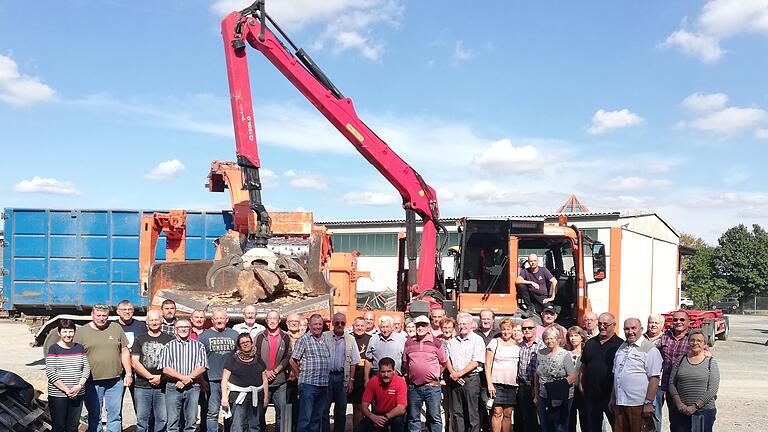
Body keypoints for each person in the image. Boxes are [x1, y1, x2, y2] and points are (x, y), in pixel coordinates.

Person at [75, 304, 132, 432]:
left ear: (108, 316)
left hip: (115, 381)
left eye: (104, 316)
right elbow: (76, 356)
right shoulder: (82, 332)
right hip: (91, 382)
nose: (101, 318)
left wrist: (128, 373)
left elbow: (124, 350)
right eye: (98, 315)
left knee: (115, 415)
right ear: (92, 315)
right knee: (94, 414)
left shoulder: (115, 328)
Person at [659, 310, 709, 432]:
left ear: (688, 322)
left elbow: (705, 353)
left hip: (688, 389)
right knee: (676, 425)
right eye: (675, 320)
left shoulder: (693, 339)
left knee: (694, 426)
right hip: (670, 389)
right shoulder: (665, 338)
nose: (678, 322)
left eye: (682, 320)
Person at [610, 318, 662, 432]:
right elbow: (617, 375)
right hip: (621, 402)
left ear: (641, 329)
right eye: (627, 329)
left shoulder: (650, 349)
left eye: (633, 328)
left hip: (638, 404)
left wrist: (649, 402)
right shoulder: (621, 348)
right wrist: (613, 398)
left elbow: (654, 378)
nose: (630, 331)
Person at [159, 319, 208, 432]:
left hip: (193, 387)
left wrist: (188, 379)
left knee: (191, 422)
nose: (183, 329)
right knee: (172, 423)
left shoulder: (199, 346)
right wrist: (182, 378)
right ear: (175, 330)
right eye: (180, 327)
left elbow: (202, 367)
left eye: (186, 327)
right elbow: (165, 368)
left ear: (190, 329)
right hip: (173, 387)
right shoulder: (168, 346)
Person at [401, 315, 448, 432]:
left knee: (435, 417)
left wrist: (434, 374)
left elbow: (443, 362)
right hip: (414, 387)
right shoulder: (409, 342)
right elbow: (406, 363)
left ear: (428, 327)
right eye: (418, 325)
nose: (420, 327)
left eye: (423, 325)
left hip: (432, 387)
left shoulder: (437, 343)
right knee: (413, 418)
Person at [668, 330, 720, 432]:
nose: (695, 343)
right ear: (688, 342)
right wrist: (679, 403)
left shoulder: (710, 362)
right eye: (692, 340)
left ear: (704, 343)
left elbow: (712, 389)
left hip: (703, 412)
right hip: (681, 411)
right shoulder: (680, 360)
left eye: (699, 341)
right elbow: (671, 383)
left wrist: (695, 406)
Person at [132, 310, 174, 432]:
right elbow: (134, 361)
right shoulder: (139, 338)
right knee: (142, 419)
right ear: (147, 322)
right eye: (151, 320)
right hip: (142, 385)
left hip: (163, 386)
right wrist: (150, 376)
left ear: (161, 321)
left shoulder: (169, 339)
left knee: (162, 418)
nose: (154, 322)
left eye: (156, 320)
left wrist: (160, 377)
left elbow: (172, 362)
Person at [579, 312, 622, 432]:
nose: (602, 326)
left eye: (606, 324)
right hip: (592, 394)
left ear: (614, 325)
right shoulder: (590, 343)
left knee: (616, 426)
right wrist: (581, 384)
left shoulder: (620, 345)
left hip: (611, 395)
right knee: (593, 426)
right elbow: (583, 365)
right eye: (600, 324)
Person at [46, 319, 91, 432]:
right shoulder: (54, 349)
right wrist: (66, 390)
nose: (68, 335)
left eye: (71, 331)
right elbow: (51, 373)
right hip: (58, 395)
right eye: (65, 332)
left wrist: (79, 386)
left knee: (72, 427)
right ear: (59, 333)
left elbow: (86, 368)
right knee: (59, 427)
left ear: (74, 332)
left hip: (77, 393)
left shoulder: (79, 348)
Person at [199, 307, 239, 432]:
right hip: (212, 380)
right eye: (217, 318)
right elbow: (199, 360)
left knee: (230, 412)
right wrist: (201, 380)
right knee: (212, 412)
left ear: (227, 319)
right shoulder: (204, 336)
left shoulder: (234, 334)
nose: (219, 321)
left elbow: (240, 356)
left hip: (231, 380)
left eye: (222, 318)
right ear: (212, 320)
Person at [290, 313, 332, 432]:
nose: (318, 327)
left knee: (316, 419)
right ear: (309, 325)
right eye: (315, 324)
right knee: (305, 419)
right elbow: (293, 360)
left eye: (320, 324)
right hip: (308, 385)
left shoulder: (325, 339)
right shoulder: (303, 340)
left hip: (323, 385)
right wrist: (299, 376)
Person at [220, 333, 269, 432]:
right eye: (242, 343)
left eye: (247, 342)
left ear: (252, 343)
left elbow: (265, 379)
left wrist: (266, 397)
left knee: (255, 426)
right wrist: (224, 398)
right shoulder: (232, 359)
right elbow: (224, 379)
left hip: (255, 397)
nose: (245, 344)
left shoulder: (259, 360)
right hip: (238, 397)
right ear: (239, 346)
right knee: (237, 426)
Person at [446, 312, 486, 432]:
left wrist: (459, 374)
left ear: (471, 325)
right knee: (457, 412)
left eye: (465, 324)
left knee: (472, 412)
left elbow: (476, 362)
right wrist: (453, 373)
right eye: (460, 324)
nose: (462, 326)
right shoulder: (453, 341)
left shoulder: (477, 340)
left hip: (471, 380)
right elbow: (447, 358)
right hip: (455, 380)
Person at [322, 313, 362, 432]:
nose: (339, 325)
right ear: (333, 323)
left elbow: (354, 361)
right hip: (326, 377)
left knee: (341, 410)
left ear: (345, 324)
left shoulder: (350, 339)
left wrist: (351, 380)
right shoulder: (324, 336)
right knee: (324, 409)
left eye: (342, 323)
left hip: (342, 378)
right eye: (337, 322)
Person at [254, 310, 292, 432]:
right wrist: (265, 371)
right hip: (261, 379)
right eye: (269, 319)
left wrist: (275, 371)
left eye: (274, 319)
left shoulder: (285, 337)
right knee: (259, 412)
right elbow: (256, 356)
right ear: (266, 320)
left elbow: (287, 357)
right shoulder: (260, 336)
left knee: (281, 412)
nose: (272, 321)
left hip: (280, 381)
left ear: (279, 321)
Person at [534, 326, 577, 432]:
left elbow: (572, 376)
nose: (549, 341)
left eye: (552, 338)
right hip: (543, 395)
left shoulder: (564, 354)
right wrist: (536, 394)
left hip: (560, 396)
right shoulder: (540, 353)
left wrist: (555, 388)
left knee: (560, 427)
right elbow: (536, 375)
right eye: (547, 339)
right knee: (545, 424)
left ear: (558, 339)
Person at [485, 319, 520, 432]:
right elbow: (487, 364)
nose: (506, 332)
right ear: (500, 330)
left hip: (512, 384)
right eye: (504, 329)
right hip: (496, 383)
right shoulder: (495, 342)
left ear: (512, 330)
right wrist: (490, 384)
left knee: (508, 413)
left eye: (508, 329)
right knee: (497, 412)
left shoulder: (517, 344)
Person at [356, 357, 407, 432]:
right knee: (359, 429)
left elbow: (401, 408)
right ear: (379, 371)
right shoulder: (372, 382)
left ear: (394, 371)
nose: (386, 374)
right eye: (383, 372)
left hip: (395, 414)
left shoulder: (400, 382)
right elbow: (364, 406)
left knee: (399, 422)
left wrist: (385, 417)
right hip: (377, 414)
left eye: (389, 371)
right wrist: (373, 417)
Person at [117, 300, 145, 415]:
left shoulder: (141, 326)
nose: (127, 312)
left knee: (140, 404)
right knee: (116, 404)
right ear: (118, 311)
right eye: (124, 310)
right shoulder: (113, 326)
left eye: (130, 310)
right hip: (119, 369)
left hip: (137, 368)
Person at [514, 319, 541, 432]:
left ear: (535, 329)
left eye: (530, 328)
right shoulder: (520, 346)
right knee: (521, 416)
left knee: (533, 417)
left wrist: (536, 388)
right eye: (524, 328)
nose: (527, 330)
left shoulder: (541, 345)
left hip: (535, 384)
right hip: (521, 384)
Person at [476, 309, 499, 432]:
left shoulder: (499, 334)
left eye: (488, 318)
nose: (485, 321)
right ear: (480, 320)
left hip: (495, 375)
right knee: (479, 406)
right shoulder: (474, 334)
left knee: (494, 407)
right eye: (483, 318)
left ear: (493, 320)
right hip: (478, 376)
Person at [364, 316, 406, 380]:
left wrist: (404, 376)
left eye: (387, 327)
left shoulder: (402, 339)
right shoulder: (373, 339)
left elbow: (406, 360)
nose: (385, 330)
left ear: (392, 327)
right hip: (377, 378)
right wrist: (366, 378)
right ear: (379, 327)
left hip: (396, 378)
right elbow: (368, 360)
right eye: (383, 327)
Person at [350, 317, 372, 426]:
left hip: (367, 377)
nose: (359, 328)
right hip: (353, 376)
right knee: (357, 407)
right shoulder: (348, 338)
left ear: (366, 326)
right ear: (353, 326)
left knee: (368, 406)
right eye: (357, 325)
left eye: (362, 326)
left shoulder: (371, 339)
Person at [285, 313, 305, 432]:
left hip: (301, 379)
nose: (293, 323)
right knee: (286, 407)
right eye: (291, 321)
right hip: (285, 379)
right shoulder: (282, 336)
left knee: (300, 408)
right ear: (287, 323)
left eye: (296, 322)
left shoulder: (305, 338)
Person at [645, 313, 665, 432]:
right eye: (651, 322)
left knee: (655, 414)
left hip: (658, 384)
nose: (653, 325)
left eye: (656, 323)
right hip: (642, 383)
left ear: (662, 325)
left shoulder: (666, 339)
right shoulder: (641, 338)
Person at [565, 326, 587, 432]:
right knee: (570, 420)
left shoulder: (586, 353)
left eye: (576, 335)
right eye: (571, 336)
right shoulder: (565, 354)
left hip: (582, 390)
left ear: (582, 337)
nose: (573, 338)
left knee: (585, 419)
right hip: (569, 390)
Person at [438, 317, 456, 432]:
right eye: (444, 327)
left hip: (455, 378)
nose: (447, 330)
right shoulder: (437, 342)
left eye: (449, 327)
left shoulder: (457, 341)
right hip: (441, 378)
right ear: (441, 328)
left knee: (453, 408)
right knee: (442, 407)